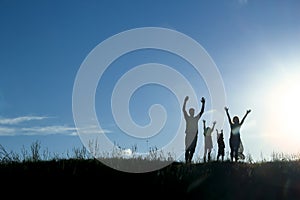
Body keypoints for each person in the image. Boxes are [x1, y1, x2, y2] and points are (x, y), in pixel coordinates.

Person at [183, 96, 205, 163]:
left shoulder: (196, 118)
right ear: (190, 112)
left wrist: (203, 104)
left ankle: (189, 160)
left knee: (193, 149)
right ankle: (186, 161)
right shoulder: (188, 118)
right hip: (189, 134)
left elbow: (201, 112)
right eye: (191, 111)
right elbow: (184, 110)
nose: (192, 112)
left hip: (194, 135)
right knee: (187, 148)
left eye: (193, 111)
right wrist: (185, 101)